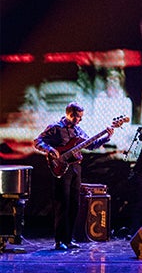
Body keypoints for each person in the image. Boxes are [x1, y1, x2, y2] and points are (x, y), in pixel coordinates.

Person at [34, 102, 114, 250]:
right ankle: (59, 241)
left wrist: (107, 136)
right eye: (77, 116)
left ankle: (69, 239)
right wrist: (51, 150)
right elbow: (37, 141)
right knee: (62, 204)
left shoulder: (78, 131)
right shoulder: (55, 127)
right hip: (60, 168)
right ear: (69, 113)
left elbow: (91, 144)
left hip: (76, 168)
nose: (79, 120)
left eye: (81, 117)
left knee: (74, 205)